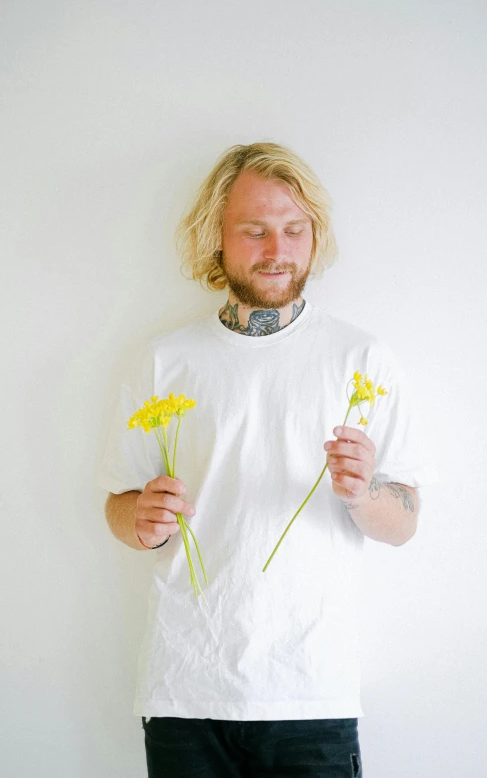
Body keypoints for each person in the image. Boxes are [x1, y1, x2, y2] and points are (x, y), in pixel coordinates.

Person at [97, 142, 438, 778]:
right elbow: (119, 505)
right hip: (185, 692)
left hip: (311, 691)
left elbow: (408, 517)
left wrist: (364, 494)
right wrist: (142, 520)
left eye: (294, 230)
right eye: (254, 231)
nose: (277, 250)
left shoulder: (360, 358)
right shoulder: (163, 361)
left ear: (314, 236)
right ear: (216, 238)